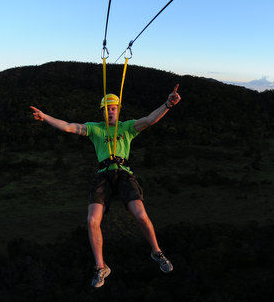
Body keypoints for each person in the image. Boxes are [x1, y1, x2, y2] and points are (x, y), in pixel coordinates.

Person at [30, 85, 181, 287]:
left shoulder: (127, 127)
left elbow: (150, 119)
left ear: (118, 110)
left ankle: (157, 252)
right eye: (107, 108)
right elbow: (68, 126)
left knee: (140, 214)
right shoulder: (95, 128)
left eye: (114, 108)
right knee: (92, 220)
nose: (111, 111)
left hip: (124, 173)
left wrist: (168, 105)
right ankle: (101, 267)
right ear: (102, 111)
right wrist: (45, 116)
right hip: (103, 175)